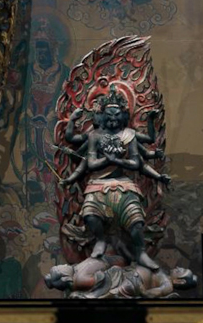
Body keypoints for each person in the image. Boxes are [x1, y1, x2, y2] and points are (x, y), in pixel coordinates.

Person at [75, 86, 170, 269]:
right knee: (90, 215)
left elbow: (136, 163)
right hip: (98, 183)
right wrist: (108, 159)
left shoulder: (129, 135)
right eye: (109, 115)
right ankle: (100, 240)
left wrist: (117, 161)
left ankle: (140, 252)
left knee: (137, 222)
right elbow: (91, 164)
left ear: (124, 116)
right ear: (102, 116)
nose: (113, 119)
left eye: (117, 115)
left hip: (125, 184)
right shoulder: (95, 136)